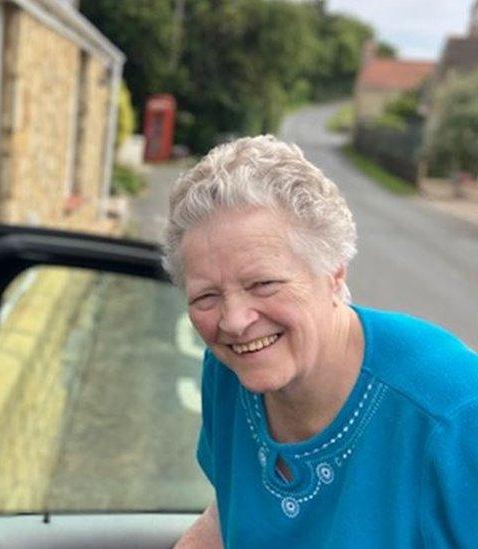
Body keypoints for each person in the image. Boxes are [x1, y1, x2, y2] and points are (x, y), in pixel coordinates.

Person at [166, 136, 478, 547]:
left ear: (334, 272)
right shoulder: (230, 373)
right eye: (206, 296)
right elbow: (225, 518)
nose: (235, 322)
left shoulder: (457, 414)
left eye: (263, 283)